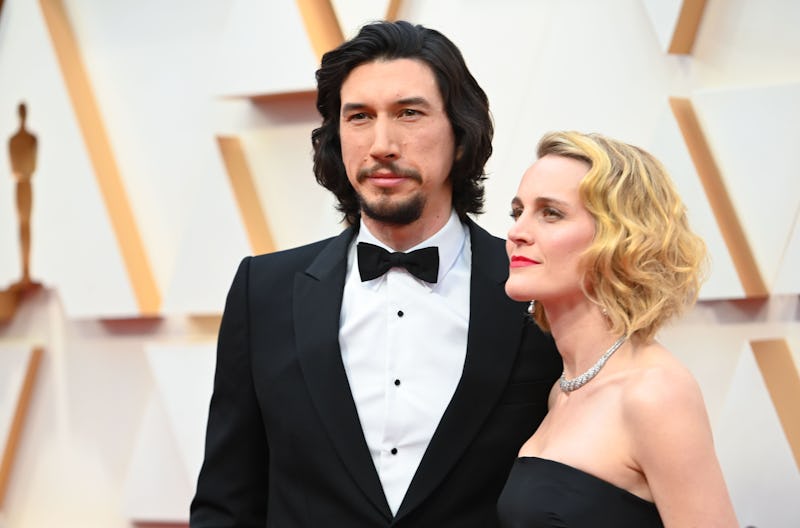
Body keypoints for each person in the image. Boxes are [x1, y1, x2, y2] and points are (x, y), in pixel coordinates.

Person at [190, 20, 561, 528]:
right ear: (335, 137)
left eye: (409, 113)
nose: (382, 143)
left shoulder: (538, 290)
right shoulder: (264, 290)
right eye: (359, 116)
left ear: (460, 132)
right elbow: (227, 501)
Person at [499, 130, 738, 527]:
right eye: (517, 211)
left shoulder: (655, 393)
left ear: (619, 239)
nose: (517, 231)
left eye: (551, 213)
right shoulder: (563, 391)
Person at [8, 102, 38, 288]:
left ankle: (26, 271)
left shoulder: (32, 139)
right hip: (21, 184)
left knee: (26, 224)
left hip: (26, 183)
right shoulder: (13, 141)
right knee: (22, 225)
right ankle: (24, 271)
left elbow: (32, 165)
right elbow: (16, 167)